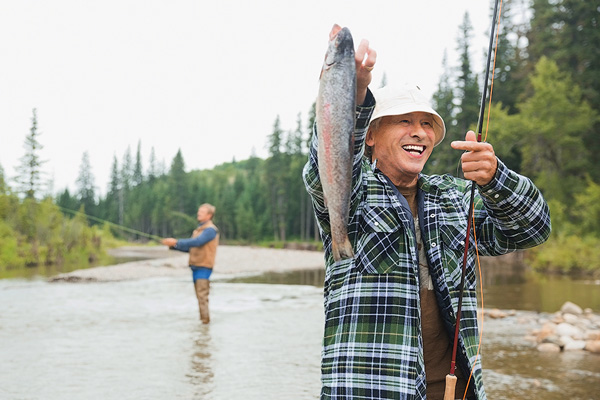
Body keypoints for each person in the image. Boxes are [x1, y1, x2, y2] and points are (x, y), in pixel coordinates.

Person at [303, 25, 551, 400]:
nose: (419, 132)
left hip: (454, 388)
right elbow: (330, 156)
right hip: (371, 389)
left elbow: (531, 230)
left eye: (426, 124)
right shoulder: (354, 196)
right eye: (404, 121)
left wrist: (496, 178)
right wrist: (352, 93)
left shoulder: (454, 197)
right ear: (370, 135)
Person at [161, 203, 219, 324]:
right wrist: (174, 246)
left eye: (202, 211)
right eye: (199, 211)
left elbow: (197, 242)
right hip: (196, 267)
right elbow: (191, 248)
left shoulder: (210, 230)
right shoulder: (199, 230)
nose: (198, 213)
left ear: (209, 215)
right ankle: (204, 325)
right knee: (200, 297)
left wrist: (176, 241)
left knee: (202, 298)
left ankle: (205, 324)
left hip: (204, 267)